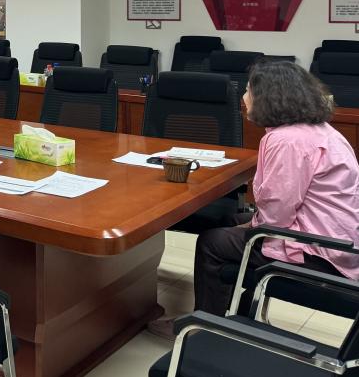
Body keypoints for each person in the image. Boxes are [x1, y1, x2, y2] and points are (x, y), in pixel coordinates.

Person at [150, 61, 359, 337]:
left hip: (319, 251)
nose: (244, 97)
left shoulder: (287, 140)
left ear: (269, 97)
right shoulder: (320, 129)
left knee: (211, 243)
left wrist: (251, 226)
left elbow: (277, 214)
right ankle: (227, 313)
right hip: (336, 240)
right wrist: (247, 224)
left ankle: (202, 328)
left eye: (248, 90)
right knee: (229, 221)